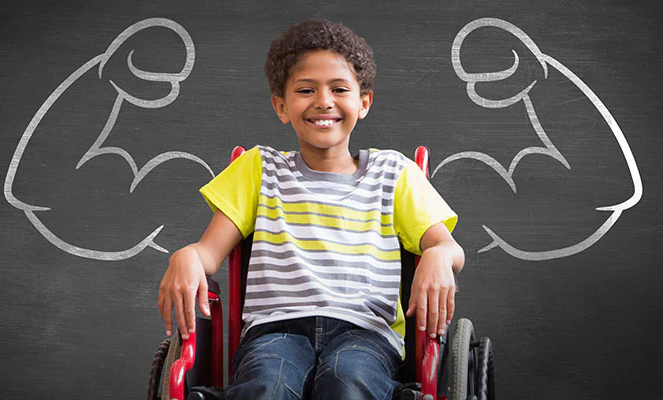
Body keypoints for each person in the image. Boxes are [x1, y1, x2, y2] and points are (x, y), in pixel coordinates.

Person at [158, 19, 464, 400]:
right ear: (281, 106)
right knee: (268, 384)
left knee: (346, 380)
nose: (323, 101)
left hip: (364, 331)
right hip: (275, 329)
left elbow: (450, 248)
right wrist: (186, 256)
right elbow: (208, 252)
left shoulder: (394, 172)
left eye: (339, 89)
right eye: (306, 90)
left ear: (363, 101)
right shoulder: (259, 168)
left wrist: (437, 254)